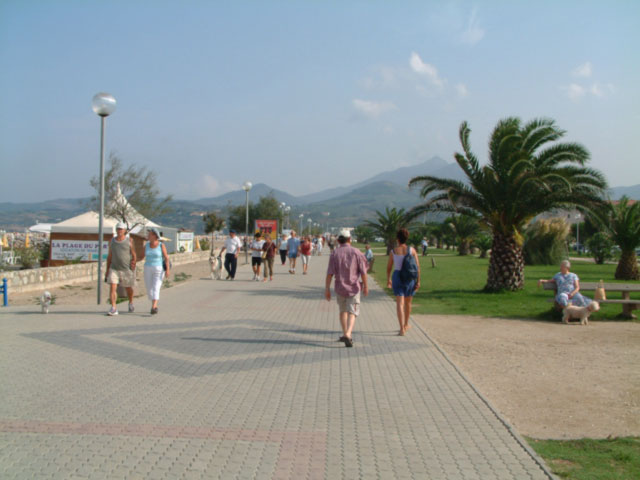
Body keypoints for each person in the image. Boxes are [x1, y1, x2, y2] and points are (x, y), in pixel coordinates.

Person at [325, 229, 369, 347]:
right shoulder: (357, 252)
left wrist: (327, 289)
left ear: (339, 240)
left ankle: (345, 333)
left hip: (340, 287)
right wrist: (366, 286)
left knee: (342, 310)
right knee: (352, 311)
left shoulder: (335, 253)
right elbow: (363, 271)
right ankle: (348, 333)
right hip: (354, 287)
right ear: (350, 239)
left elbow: (330, 273)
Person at [387, 228, 421, 336]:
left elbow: (389, 267)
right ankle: (406, 324)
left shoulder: (393, 251)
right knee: (408, 302)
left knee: (399, 303)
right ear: (406, 238)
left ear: (397, 239)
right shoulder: (412, 250)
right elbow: (417, 267)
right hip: (409, 278)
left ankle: (401, 328)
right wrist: (418, 281)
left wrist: (388, 279)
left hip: (397, 276)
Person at [105, 222, 136, 316]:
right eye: (118, 229)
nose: (119, 231)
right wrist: (107, 270)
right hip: (114, 268)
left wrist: (133, 263)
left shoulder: (129, 241)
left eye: (121, 229)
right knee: (113, 287)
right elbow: (109, 256)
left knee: (128, 288)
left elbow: (134, 254)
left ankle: (130, 302)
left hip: (126, 268)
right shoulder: (112, 241)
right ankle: (114, 307)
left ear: (125, 230)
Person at [139, 227, 170, 315]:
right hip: (148, 268)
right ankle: (153, 303)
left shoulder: (161, 245)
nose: (148, 235)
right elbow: (141, 257)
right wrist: (133, 261)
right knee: (149, 289)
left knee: (156, 287)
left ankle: (154, 306)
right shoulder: (146, 245)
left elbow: (166, 258)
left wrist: (167, 269)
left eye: (149, 234)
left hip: (158, 268)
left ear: (154, 236)